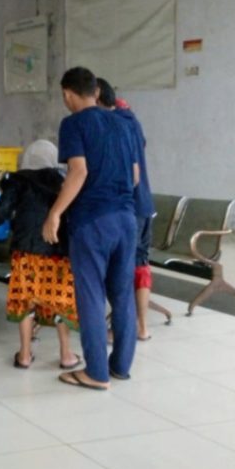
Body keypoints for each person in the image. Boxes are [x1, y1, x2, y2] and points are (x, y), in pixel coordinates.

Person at [43, 67, 138, 391]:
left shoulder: (73, 124)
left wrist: (55, 213)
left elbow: (78, 171)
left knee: (92, 297)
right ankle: (120, 367)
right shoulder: (123, 123)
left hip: (93, 222)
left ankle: (96, 373)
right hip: (127, 219)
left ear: (68, 94)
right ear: (96, 91)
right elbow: (135, 176)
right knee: (122, 294)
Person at [0, 140, 81, 369]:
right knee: (60, 301)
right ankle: (66, 355)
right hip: (57, 251)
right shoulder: (64, 182)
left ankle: (25, 355)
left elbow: (3, 211)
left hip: (25, 251)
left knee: (25, 299)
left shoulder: (18, 181)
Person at [97, 78, 156, 341]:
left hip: (126, 207)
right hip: (144, 203)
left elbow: (129, 173)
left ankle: (123, 328)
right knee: (140, 264)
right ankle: (142, 327)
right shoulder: (131, 120)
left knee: (121, 267)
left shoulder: (113, 125)